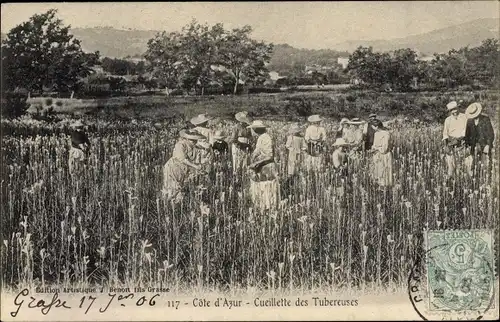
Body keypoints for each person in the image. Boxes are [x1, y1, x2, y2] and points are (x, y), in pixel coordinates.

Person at [161, 130, 205, 203]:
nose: (194, 142)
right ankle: (167, 205)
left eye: (195, 140)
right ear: (186, 139)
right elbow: (183, 159)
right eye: (192, 140)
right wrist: (195, 166)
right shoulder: (180, 145)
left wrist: (199, 166)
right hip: (173, 168)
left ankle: (175, 206)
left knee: (179, 188)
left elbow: (197, 159)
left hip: (183, 170)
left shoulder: (195, 148)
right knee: (171, 188)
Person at [247, 120, 279, 213]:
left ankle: (267, 208)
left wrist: (257, 162)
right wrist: (253, 157)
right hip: (262, 165)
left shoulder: (266, 138)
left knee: (266, 185)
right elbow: (258, 150)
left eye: (253, 129)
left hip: (266, 166)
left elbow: (269, 155)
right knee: (262, 185)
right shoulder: (261, 137)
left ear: (256, 129)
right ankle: (263, 207)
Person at [464, 102, 495, 176]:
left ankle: (485, 183)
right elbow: (467, 135)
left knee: (485, 167)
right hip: (473, 147)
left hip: (484, 146)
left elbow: (491, 134)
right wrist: (467, 146)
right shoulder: (469, 121)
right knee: (473, 167)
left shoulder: (485, 119)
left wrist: (488, 145)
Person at [442, 101, 468, 178]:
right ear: (450, 111)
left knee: (461, 166)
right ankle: (452, 182)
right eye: (452, 110)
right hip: (451, 144)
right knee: (451, 167)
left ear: (458, 108)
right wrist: (446, 145)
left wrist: (460, 139)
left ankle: (461, 182)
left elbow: (466, 131)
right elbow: (445, 134)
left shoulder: (464, 117)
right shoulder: (448, 120)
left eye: (455, 109)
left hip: (462, 143)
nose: (454, 111)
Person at [369, 120, 393, 188]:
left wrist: (377, 148)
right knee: (378, 171)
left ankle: (385, 187)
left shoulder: (386, 134)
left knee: (384, 171)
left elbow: (385, 148)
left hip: (384, 156)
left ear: (376, 126)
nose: (372, 128)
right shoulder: (376, 134)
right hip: (377, 155)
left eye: (373, 126)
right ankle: (379, 185)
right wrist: (373, 148)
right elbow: (374, 144)